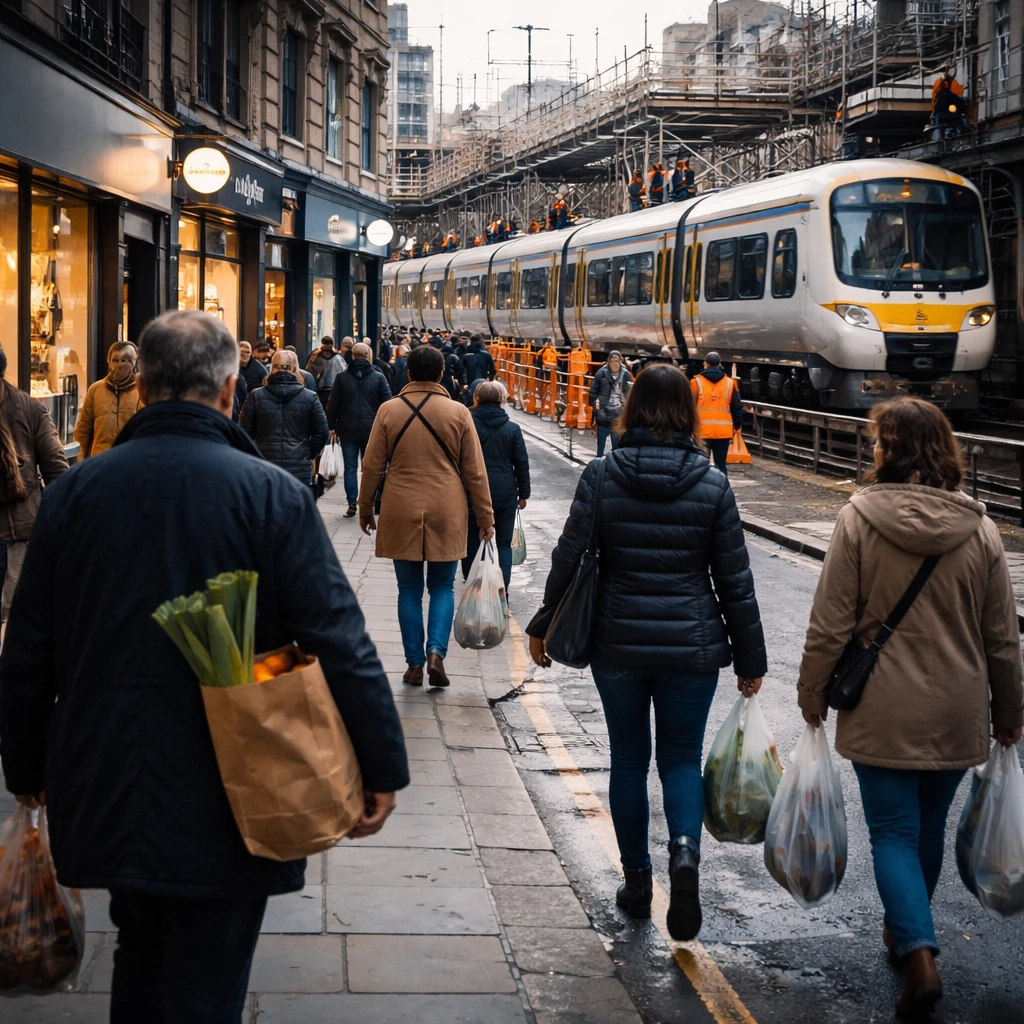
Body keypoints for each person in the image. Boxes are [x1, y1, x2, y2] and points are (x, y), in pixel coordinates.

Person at [0, 310, 409, 1022]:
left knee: (139, 949)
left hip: (105, 767)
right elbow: (340, 640)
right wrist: (380, 767)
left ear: (147, 385)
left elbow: (30, 647)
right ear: (228, 392)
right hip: (239, 778)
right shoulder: (271, 496)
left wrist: (26, 769)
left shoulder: (74, 496)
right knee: (210, 971)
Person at [797, 397, 1023, 1018]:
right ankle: (906, 936)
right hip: (957, 705)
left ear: (889, 450)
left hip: (880, 705)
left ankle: (919, 952)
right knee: (925, 829)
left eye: (877, 441)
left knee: (893, 833)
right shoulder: (980, 530)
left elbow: (830, 624)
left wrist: (811, 693)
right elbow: (1003, 635)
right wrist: (1011, 711)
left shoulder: (859, 520)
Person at [527, 364, 765, 941]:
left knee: (629, 760)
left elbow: (568, 554)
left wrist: (541, 621)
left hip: (619, 642)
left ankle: (637, 882)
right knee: (681, 760)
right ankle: (685, 855)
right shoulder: (713, 484)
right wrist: (751, 659)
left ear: (632, 407)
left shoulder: (603, 474)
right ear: (686, 411)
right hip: (692, 645)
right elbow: (735, 580)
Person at [357, 345, 494, 689]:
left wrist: (364, 507)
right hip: (447, 506)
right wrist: (486, 517)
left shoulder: (389, 410)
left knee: (408, 589)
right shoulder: (459, 412)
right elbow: (475, 472)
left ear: (408, 373)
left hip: (400, 505)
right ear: (441, 373)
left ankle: (415, 664)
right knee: (443, 586)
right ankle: (436, 652)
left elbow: (372, 465)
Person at [0, 347, 68, 617]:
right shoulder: (31, 408)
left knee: (17, 614)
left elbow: (56, 472)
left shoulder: (29, 410)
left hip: (19, 536)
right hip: (21, 535)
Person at [462, 381, 530, 590]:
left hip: (473, 489)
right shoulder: (512, 429)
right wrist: (523, 494)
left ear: (477, 398)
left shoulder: (468, 424)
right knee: (503, 543)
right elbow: (521, 462)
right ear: (502, 400)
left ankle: (472, 584)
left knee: (472, 539)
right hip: (505, 490)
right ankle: (503, 589)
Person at [240, 348, 329, 487]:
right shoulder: (310, 397)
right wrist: (306, 452)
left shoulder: (256, 396)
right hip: (298, 467)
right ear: (294, 369)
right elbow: (322, 433)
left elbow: (243, 433)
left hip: (264, 465)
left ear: (272, 368)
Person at [326, 342, 392, 517]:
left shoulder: (342, 378)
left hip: (347, 428)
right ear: (368, 356)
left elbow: (333, 404)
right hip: (372, 428)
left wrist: (331, 425)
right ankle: (369, 501)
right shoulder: (378, 377)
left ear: (352, 356)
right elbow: (388, 403)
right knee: (370, 467)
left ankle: (351, 502)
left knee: (350, 466)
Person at [74, 341, 142, 457]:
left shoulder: (143, 390)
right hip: (100, 462)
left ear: (135, 362)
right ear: (109, 362)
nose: (120, 364)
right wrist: (81, 462)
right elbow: (83, 431)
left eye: (125, 360)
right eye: (116, 360)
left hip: (132, 462)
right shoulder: (95, 390)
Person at [691, 352, 742, 478]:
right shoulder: (730, 383)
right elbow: (737, 407)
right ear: (719, 364)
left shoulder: (695, 383)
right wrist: (737, 425)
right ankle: (722, 490)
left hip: (701, 432)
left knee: (701, 465)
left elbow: (688, 406)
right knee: (721, 466)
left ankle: (702, 490)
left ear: (705, 364)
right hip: (723, 433)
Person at [589, 351, 633, 456]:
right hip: (603, 412)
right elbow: (593, 391)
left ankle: (613, 465)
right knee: (601, 445)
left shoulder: (625, 374)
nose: (615, 363)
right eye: (612, 361)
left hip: (618, 413)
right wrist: (595, 405)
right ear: (608, 362)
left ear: (620, 362)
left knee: (616, 444)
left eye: (617, 361)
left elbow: (628, 391)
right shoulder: (601, 373)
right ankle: (599, 463)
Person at [306, 336, 346, 408]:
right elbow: (343, 371)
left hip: (318, 390)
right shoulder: (338, 357)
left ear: (322, 343)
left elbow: (309, 372)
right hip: (334, 390)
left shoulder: (315, 356)